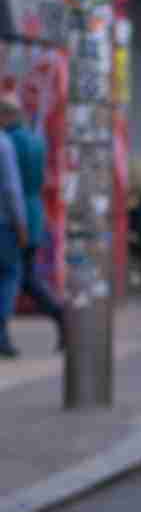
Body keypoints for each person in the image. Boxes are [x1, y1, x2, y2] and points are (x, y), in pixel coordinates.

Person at [0, 87, 64, 350]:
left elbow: (11, 187)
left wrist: (19, 222)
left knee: (17, 275)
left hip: (15, 217)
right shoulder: (36, 139)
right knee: (25, 275)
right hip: (33, 212)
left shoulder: (8, 142)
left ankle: (58, 313)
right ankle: (60, 314)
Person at [0, 122, 27, 359]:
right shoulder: (4, 144)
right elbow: (11, 188)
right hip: (3, 224)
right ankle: (1, 332)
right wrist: (21, 224)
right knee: (10, 275)